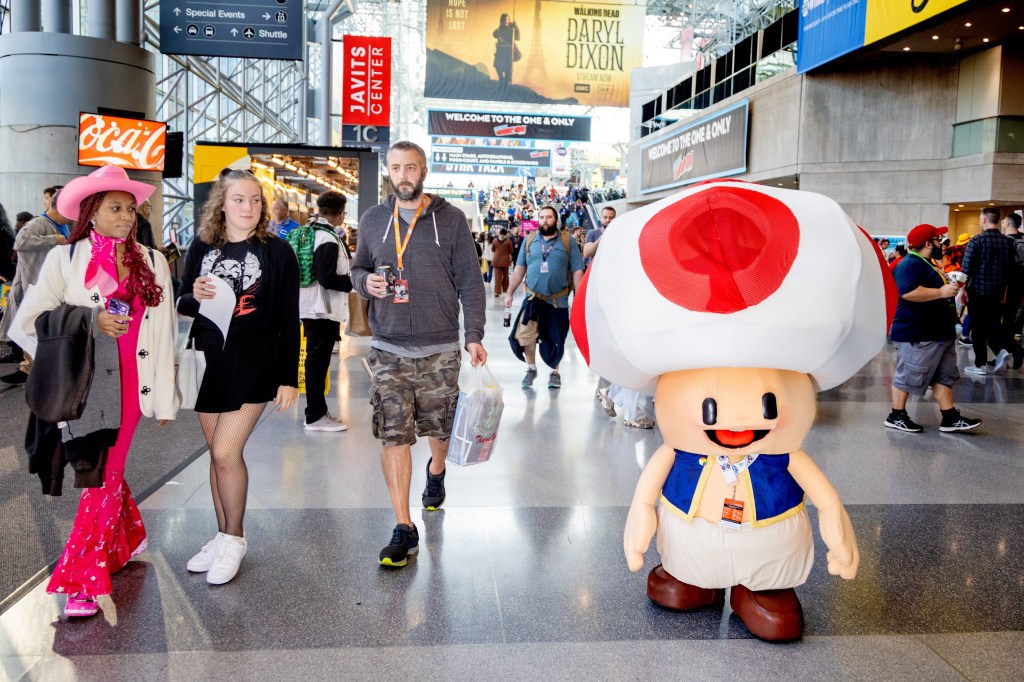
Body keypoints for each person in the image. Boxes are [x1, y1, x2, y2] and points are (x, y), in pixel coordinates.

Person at [12, 165, 178, 617]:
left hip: (132, 386)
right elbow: (26, 323)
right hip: (86, 387)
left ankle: (82, 578)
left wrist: (164, 394)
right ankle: (126, 535)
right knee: (100, 468)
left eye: (130, 208)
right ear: (92, 212)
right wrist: (89, 321)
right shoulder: (65, 259)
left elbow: (163, 333)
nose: (126, 216)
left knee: (101, 474)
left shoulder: (153, 260)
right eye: (115, 208)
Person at [350, 140, 486, 568]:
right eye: (395, 168)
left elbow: (471, 280)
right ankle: (404, 526)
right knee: (394, 434)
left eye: (411, 167)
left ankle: (436, 471)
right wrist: (364, 282)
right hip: (388, 346)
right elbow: (358, 268)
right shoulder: (373, 220)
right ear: (388, 172)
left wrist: (475, 334)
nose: (403, 175)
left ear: (423, 170)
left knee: (438, 429)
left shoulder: (452, 220)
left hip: (441, 347)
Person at [177, 168, 300, 585]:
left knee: (227, 453)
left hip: (255, 362)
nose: (248, 207)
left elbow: (289, 316)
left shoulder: (277, 252)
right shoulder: (202, 245)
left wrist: (289, 377)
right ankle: (221, 534)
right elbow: (184, 302)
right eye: (239, 200)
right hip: (208, 360)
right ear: (222, 204)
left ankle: (234, 538)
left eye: (255, 200)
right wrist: (194, 295)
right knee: (216, 455)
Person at [885, 224, 981, 433]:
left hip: (938, 333)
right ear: (928, 243)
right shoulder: (910, 264)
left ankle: (949, 417)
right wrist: (940, 292)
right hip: (918, 334)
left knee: (943, 376)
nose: (943, 243)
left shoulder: (928, 263)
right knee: (909, 374)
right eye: (939, 239)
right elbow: (908, 292)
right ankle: (896, 415)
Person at [504, 205, 584, 389]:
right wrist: (509, 292)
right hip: (532, 298)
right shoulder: (530, 239)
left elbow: (577, 271)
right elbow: (519, 268)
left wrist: (579, 298)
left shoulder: (567, 241)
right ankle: (531, 368)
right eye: (542, 217)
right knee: (526, 336)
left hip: (558, 300)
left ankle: (554, 371)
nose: (545, 220)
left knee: (555, 337)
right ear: (538, 220)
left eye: (549, 217)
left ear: (556, 220)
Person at [294, 190, 352, 432]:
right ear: (340, 213)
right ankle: (315, 415)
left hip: (310, 306)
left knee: (316, 361)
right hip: (322, 309)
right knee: (317, 362)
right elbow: (327, 278)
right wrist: (352, 282)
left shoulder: (310, 233)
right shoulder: (327, 238)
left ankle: (318, 411)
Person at [0, 191, 72, 383]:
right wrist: (52, 239)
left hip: (49, 286)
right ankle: (31, 369)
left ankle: (36, 369)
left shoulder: (63, 225)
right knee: (32, 329)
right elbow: (20, 242)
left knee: (42, 329)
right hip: (34, 286)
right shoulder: (39, 223)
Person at [962, 208, 1023, 375]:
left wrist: (962, 291)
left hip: (977, 292)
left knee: (978, 328)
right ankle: (1002, 351)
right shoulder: (1007, 243)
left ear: (983, 220)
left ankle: (980, 364)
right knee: (992, 326)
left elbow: (965, 270)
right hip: (998, 293)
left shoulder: (976, 241)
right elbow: (1010, 270)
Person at [1001, 212, 1024, 344]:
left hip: (1007, 286)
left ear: (1008, 223)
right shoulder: (1022, 240)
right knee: (1010, 318)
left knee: (1006, 319)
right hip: (1019, 286)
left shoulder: (1006, 242)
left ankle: (1007, 349)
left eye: (1003, 221)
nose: (1002, 223)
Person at [490, 228, 514, 297]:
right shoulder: (508, 241)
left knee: (497, 277)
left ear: (500, 233)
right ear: (506, 234)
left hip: (496, 261)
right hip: (505, 261)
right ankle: (505, 290)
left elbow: (492, 249)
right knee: (506, 276)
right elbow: (511, 251)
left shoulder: (494, 240)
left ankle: (497, 292)